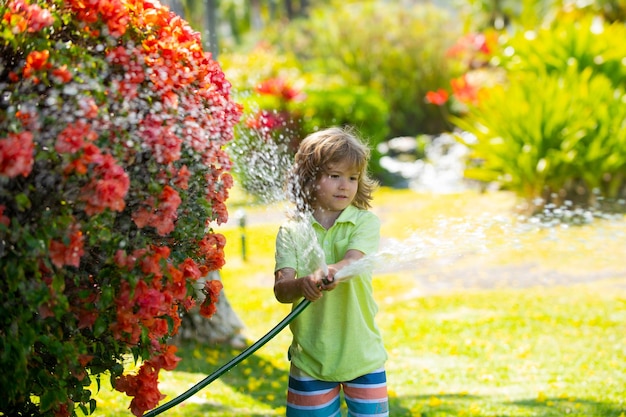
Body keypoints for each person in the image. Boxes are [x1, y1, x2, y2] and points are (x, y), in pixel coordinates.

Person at [273, 126, 388, 417]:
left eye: (352, 178)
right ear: (309, 179)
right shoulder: (291, 231)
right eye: (335, 176)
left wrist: (330, 272)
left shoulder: (364, 223)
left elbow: (352, 260)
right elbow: (282, 289)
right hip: (311, 359)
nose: (344, 186)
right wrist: (302, 284)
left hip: (362, 356)